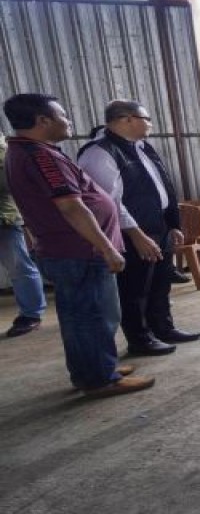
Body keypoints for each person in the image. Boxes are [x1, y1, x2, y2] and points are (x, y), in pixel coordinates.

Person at [2, 93, 153, 398]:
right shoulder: (41, 157)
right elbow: (72, 207)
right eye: (61, 115)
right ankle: (100, 379)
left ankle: (93, 369)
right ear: (43, 120)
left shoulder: (28, 152)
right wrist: (107, 248)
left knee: (79, 316)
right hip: (81, 251)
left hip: (67, 250)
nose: (68, 120)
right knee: (92, 316)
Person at [78, 99, 200, 357]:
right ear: (127, 119)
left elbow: (161, 186)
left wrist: (172, 224)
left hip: (159, 227)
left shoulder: (142, 147)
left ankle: (163, 328)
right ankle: (140, 338)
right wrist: (137, 234)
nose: (150, 123)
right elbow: (110, 202)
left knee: (160, 282)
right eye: (146, 118)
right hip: (132, 233)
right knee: (135, 288)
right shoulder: (100, 152)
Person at [0, 134, 46, 337]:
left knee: (19, 267)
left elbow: (8, 184)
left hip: (5, 219)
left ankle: (31, 314)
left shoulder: (4, 152)